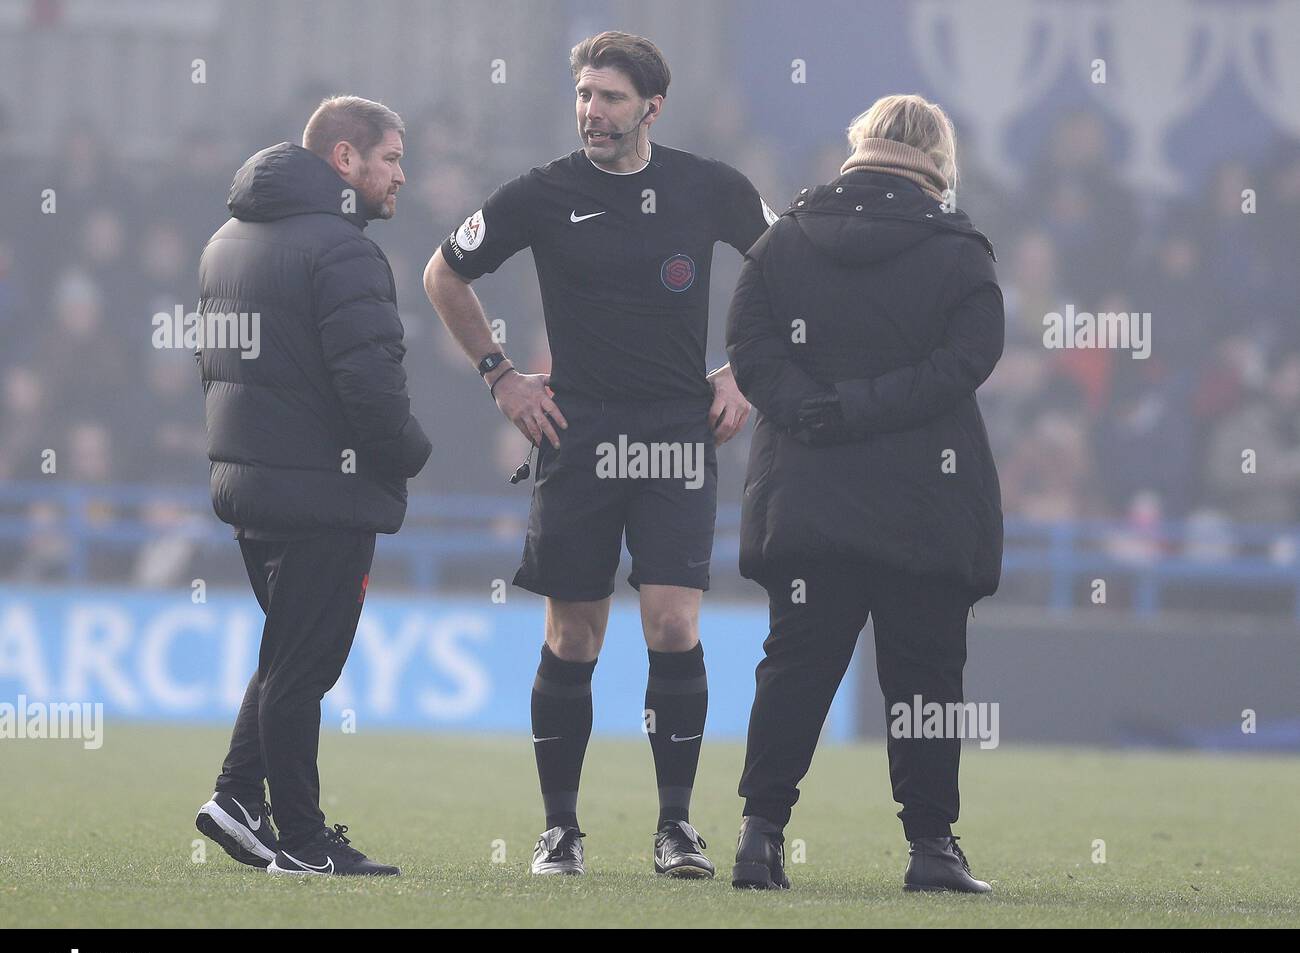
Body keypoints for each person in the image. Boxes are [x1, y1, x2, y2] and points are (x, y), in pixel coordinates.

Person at [424, 31, 776, 878]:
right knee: (574, 636)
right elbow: (443, 274)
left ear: (652, 107)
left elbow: (793, 270)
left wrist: (746, 374)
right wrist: (501, 376)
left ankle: (677, 828)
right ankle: (560, 829)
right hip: (574, 434)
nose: (593, 110)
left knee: (672, 622)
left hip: (675, 432)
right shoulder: (543, 193)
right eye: (584, 94)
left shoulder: (709, 186)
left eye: (611, 97)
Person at [725, 94, 1003, 893]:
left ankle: (759, 834)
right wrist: (868, 408)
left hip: (808, 496)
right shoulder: (958, 251)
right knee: (926, 679)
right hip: (927, 503)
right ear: (937, 160)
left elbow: (749, 347)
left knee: (796, 666)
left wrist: (814, 410)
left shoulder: (781, 244)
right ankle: (931, 847)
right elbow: (967, 361)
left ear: (860, 147)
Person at [194, 96, 432, 877]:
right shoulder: (343, 250)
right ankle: (299, 838)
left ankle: (236, 796)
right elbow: (368, 387)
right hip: (324, 492)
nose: (402, 174)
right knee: (304, 668)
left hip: (253, 485)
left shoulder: (227, 241)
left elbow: (221, 373)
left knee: (285, 649)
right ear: (345, 160)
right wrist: (410, 451)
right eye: (391, 158)